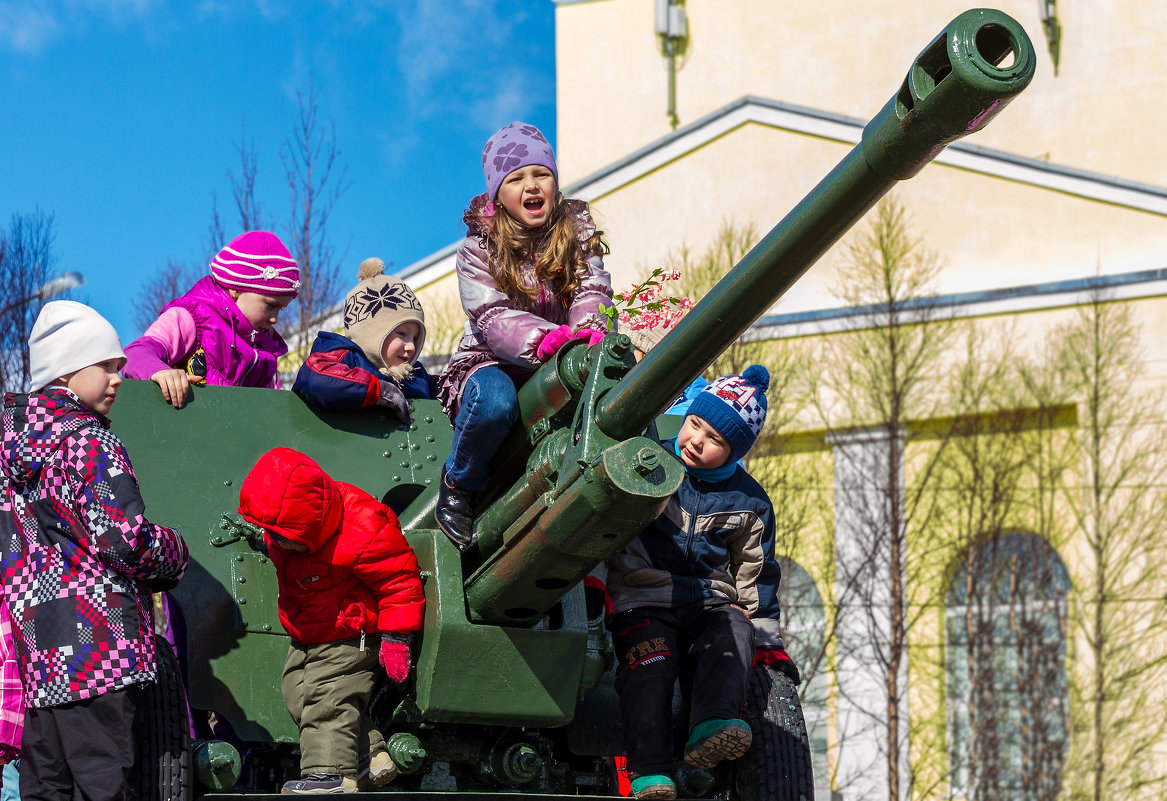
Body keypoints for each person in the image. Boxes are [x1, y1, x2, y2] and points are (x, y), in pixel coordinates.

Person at [0, 301, 190, 801]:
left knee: (47, 786)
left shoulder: (11, 452)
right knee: (106, 783)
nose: (119, 378)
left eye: (120, 367)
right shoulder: (90, 442)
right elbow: (126, 543)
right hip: (99, 648)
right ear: (66, 369)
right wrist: (175, 551)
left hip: (40, 654)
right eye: (105, 366)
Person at [605, 365, 799, 800]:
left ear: (734, 452)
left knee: (734, 632)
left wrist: (766, 637)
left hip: (707, 600)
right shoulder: (651, 463)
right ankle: (649, 772)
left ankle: (713, 724)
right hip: (644, 594)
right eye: (695, 424)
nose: (695, 440)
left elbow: (756, 571)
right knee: (650, 663)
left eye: (715, 440)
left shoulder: (749, 502)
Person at [435, 121, 613, 551]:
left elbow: (593, 291)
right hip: (492, 361)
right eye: (516, 179)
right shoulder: (478, 250)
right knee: (494, 403)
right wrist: (545, 339)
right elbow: (492, 317)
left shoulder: (576, 238)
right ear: (499, 195)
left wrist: (588, 335)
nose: (531, 186)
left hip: (562, 357)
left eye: (541, 174)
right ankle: (458, 485)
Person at [236, 447, 425, 794]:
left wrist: (397, 638)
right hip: (310, 632)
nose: (275, 541)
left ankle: (329, 776)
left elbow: (399, 580)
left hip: (351, 633)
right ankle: (369, 757)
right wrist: (269, 539)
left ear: (309, 526)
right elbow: (283, 540)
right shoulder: (290, 529)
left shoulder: (362, 526)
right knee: (297, 693)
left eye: (282, 536)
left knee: (327, 697)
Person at [124, 230, 301, 407]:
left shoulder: (263, 350)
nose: (275, 319)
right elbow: (136, 352)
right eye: (270, 305)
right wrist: (159, 371)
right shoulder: (193, 319)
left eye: (281, 309)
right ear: (236, 289)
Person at [292, 258, 436, 419]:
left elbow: (450, 392)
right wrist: (377, 390)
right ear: (373, 334)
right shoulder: (347, 359)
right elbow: (315, 377)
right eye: (402, 334)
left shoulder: (417, 376)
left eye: (415, 337)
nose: (411, 346)